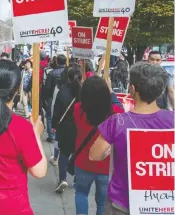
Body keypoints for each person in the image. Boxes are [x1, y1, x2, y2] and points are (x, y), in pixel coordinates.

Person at [90, 62, 174, 214]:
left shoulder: (117, 122)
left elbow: (94, 155)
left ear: (133, 89)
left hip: (122, 205)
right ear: (161, 91)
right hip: (164, 203)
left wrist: (109, 151)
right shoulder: (172, 119)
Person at [0, 60, 47, 215]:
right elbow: (39, 171)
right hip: (12, 207)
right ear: (18, 89)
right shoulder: (22, 128)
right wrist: (36, 135)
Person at [74, 76, 124, 215]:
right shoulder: (115, 113)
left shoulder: (78, 109)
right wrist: (112, 92)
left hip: (83, 162)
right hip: (106, 165)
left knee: (81, 193)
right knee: (102, 200)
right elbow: (121, 108)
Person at [52, 64, 82, 193]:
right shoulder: (85, 92)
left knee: (64, 153)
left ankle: (62, 179)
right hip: (80, 126)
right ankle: (76, 179)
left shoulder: (63, 91)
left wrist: (53, 125)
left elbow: (56, 111)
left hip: (64, 126)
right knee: (78, 153)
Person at [44, 55, 67, 143]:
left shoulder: (52, 73)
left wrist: (46, 98)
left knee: (49, 116)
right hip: (65, 98)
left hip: (52, 97)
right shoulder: (68, 72)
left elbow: (47, 87)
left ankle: (51, 136)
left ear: (57, 61)